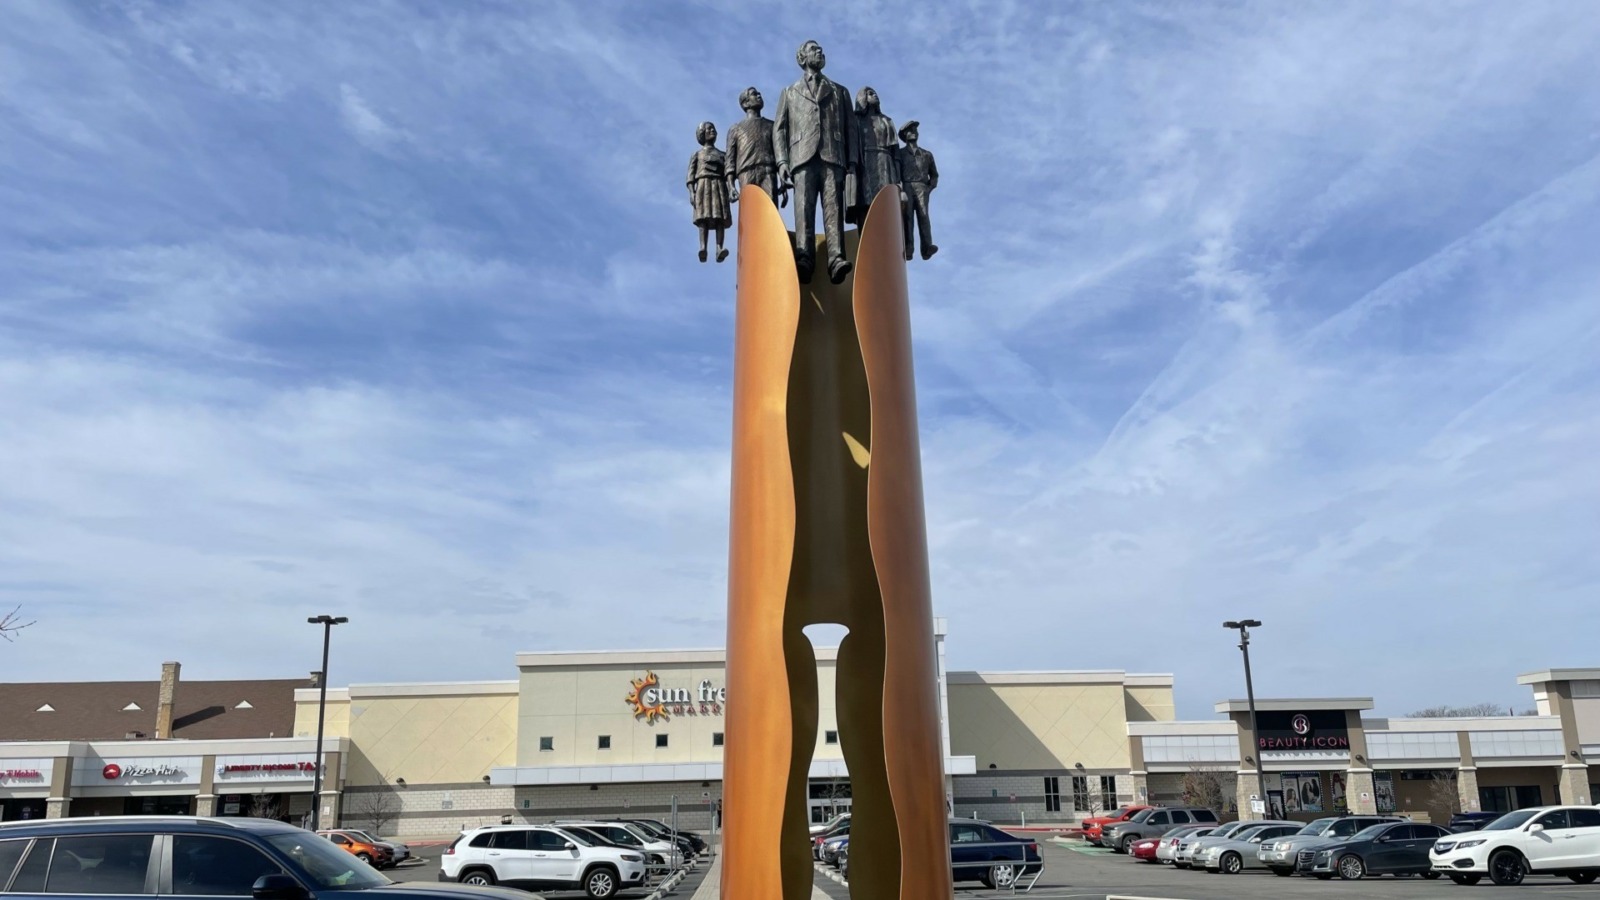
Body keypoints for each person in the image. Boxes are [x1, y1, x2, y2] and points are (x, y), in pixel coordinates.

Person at [774, 40, 858, 284]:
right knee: (803, 209)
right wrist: (781, 162)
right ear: (802, 58)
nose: (819, 51)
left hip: (833, 154)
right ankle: (804, 257)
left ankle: (836, 258)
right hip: (801, 157)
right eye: (813, 49)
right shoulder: (790, 92)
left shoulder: (840, 91)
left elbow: (850, 128)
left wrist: (852, 161)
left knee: (833, 208)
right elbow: (779, 130)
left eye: (820, 49)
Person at [849, 86, 900, 225]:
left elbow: (895, 152)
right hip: (863, 163)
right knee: (864, 202)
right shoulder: (855, 120)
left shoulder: (886, 120)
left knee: (885, 202)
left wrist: (898, 178)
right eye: (870, 94)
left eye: (875, 93)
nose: (875, 95)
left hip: (885, 162)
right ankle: (865, 238)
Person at [725, 87, 783, 207]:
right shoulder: (735, 129)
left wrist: (783, 181)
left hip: (768, 171)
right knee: (750, 212)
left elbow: (779, 153)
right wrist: (731, 186)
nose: (758, 95)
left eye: (758, 93)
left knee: (770, 210)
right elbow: (729, 161)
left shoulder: (772, 126)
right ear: (746, 103)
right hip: (746, 173)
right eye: (754, 94)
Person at [686, 121, 732, 263]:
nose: (712, 131)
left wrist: (731, 189)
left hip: (719, 185)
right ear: (702, 134)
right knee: (703, 218)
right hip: (703, 185)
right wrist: (691, 192)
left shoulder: (723, 155)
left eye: (713, 129)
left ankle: (719, 248)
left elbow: (729, 173)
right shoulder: (697, 154)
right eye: (708, 129)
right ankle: (703, 248)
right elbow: (690, 176)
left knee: (719, 217)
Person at [896, 120, 939, 261]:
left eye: (914, 130)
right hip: (907, 185)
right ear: (904, 135)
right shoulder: (900, 154)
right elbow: (897, 172)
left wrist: (929, 187)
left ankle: (927, 247)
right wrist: (900, 187)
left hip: (922, 187)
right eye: (909, 130)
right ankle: (908, 247)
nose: (913, 132)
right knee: (907, 216)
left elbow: (934, 175)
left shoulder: (927, 154)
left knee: (924, 215)